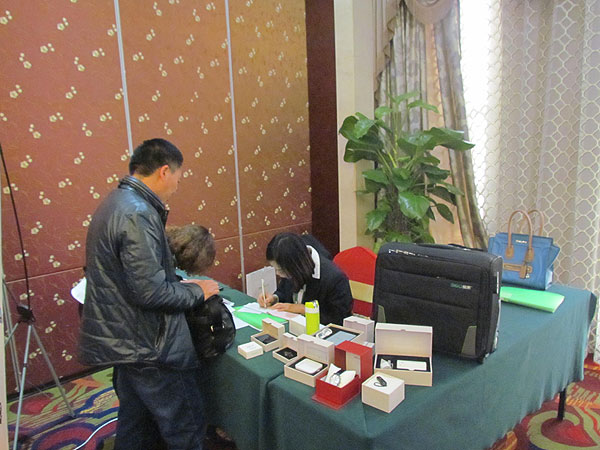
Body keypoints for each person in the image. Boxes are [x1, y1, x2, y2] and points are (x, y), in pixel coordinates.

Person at [79, 138, 219, 450]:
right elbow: (150, 293)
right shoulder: (138, 214)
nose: (177, 187)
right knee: (186, 427)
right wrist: (197, 291)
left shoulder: (115, 202)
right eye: (178, 178)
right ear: (164, 171)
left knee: (136, 424)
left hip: (127, 340)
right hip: (151, 345)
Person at [257, 232, 352, 325]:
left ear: (296, 265)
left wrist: (303, 309)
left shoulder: (335, 279)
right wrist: (274, 298)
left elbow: (339, 319)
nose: (278, 274)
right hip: (294, 324)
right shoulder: (292, 266)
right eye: (275, 269)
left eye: (281, 270)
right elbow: (284, 291)